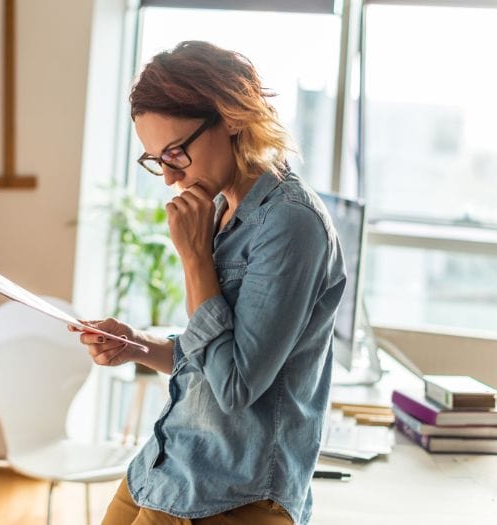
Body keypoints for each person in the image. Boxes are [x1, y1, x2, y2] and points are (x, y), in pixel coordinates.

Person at [74, 41, 346, 525]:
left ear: (233, 117)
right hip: (168, 466)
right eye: (156, 159)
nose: (168, 176)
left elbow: (236, 385)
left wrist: (195, 257)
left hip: (231, 492)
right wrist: (136, 345)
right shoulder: (222, 208)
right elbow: (210, 358)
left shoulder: (290, 225)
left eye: (176, 152)